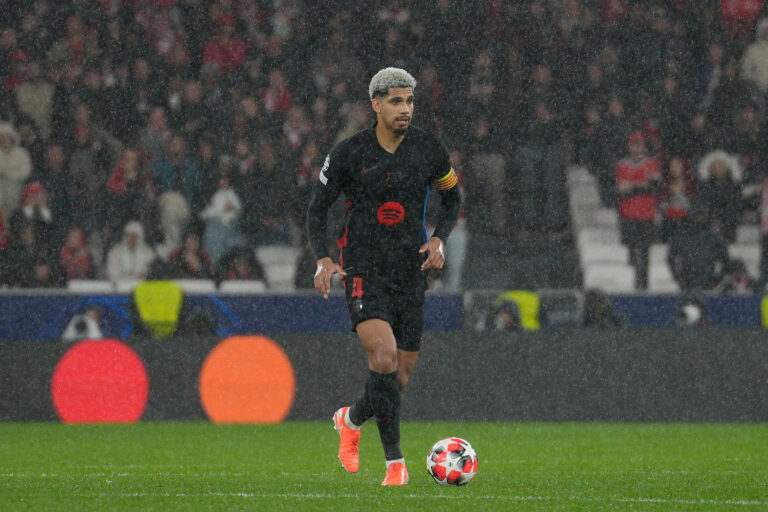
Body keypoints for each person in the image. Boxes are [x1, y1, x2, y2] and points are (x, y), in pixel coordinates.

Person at [306, 68, 461, 486]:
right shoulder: (349, 153)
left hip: (410, 271)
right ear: (375, 104)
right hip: (362, 269)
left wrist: (439, 240)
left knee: (399, 376)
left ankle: (351, 419)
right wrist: (323, 258)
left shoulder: (429, 149)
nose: (405, 109)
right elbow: (317, 208)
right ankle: (396, 465)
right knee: (384, 357)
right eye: (395, 101)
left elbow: (453, 196)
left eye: (409, 101)